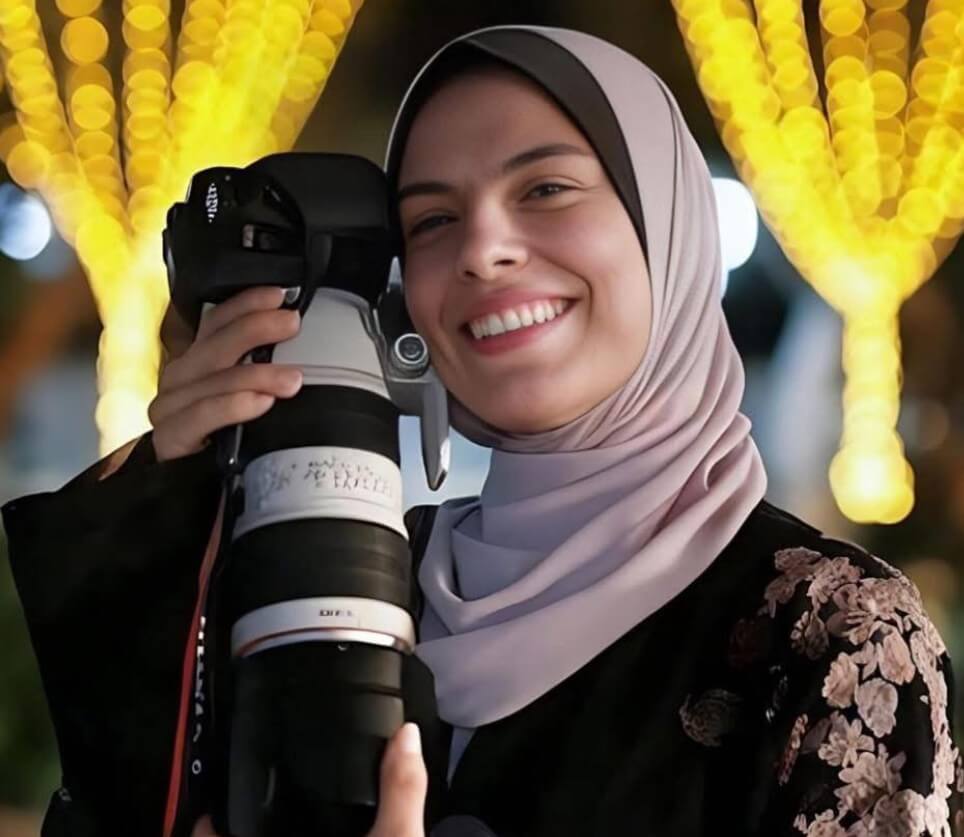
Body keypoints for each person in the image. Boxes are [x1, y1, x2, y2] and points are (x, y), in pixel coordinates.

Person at [3, 24, 962, 837]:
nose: (482, 249)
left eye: (545, 189)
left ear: (670, 231)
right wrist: (169, 520)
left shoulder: (835, 635)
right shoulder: (348, 579)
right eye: (430, 221)